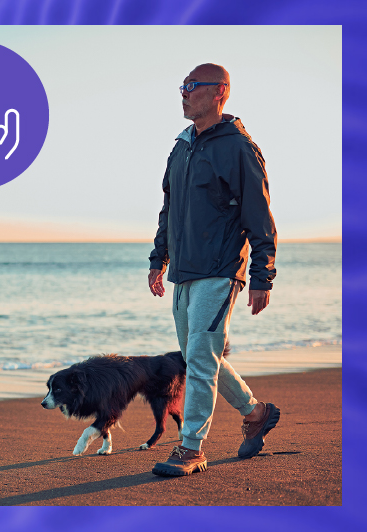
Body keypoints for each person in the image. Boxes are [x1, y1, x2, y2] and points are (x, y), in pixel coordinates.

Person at [148, 63, 279, 477]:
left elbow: (260, 216)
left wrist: (262, 275)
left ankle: (191, 449)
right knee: (198, 356)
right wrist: (159, 260)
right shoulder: (181, 147)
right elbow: (169, 211)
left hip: (221, 270)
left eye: (192, 86)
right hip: (184, 272)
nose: (183, 93)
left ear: (219, 92)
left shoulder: (238, 148)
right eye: (182, 87)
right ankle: (255, 412)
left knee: (201, 360)